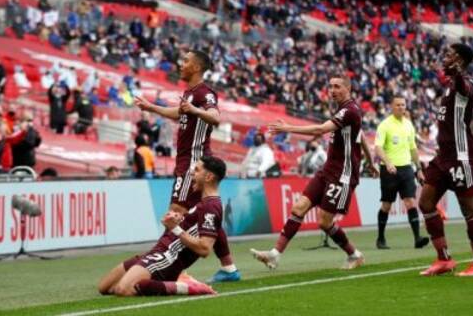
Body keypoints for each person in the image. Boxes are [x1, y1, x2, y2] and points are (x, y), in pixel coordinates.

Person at [251, 75, 378, 270]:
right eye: (330, 86)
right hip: (327, 170)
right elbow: (361, 138)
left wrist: (288, 128)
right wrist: (370, 162)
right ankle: (274, 255)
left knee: (324, 222)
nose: (332, 90)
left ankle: (354, 254)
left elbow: (320, 129)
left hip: (342, 174)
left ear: (348, 89)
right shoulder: (342, 110)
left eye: (337, 86)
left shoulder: (350, 111)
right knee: (298, 208)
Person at [135, 50, 240, 283]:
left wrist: (194, 110)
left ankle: (162, 265)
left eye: (185, 61)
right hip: (188, 162)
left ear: (196, 67)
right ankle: (229, 267)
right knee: (207, 216)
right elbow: (180, 113)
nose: (180, 64)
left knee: (175, 213)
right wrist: (152, 108)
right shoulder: (190, 93)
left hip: (194, 163)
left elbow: (215, 117)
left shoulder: (205, 93)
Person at [97, 156, 225, 297]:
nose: (192, 173)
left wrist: (175, 228)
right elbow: (191, 227)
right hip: (158, 251)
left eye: (197, 170)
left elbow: (204, 248)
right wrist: (178, 219)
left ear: (208, 177)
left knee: (124, 289)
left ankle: (185, 286)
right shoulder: (204, 202)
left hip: (168, 256)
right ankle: (169, 280)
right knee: (105, 287)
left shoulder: (211, 206)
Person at [419, 43, 473, 277]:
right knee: (426, 203)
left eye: (449, 55)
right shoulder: (450, 85)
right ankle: (444, 259)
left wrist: (458, 72)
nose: (444, 57)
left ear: (459, 60)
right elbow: (451, 82)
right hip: (443, 156)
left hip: (461, 156)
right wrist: (447, 73)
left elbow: (464, 87)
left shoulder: (467, 83)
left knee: (469, 209)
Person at [374, 96, 429, 250]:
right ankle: (380, 238)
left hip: (406, 169)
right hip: (389, 170)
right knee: (386, 205)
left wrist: (419, 169)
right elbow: (378, 147)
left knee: (410, 202)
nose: (401, 107)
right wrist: (388, 162)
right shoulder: (384, 125)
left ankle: (417, 238)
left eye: (403, 105)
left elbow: (413, 148)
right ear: (392, 107)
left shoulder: (409, 125)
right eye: (397, 105)